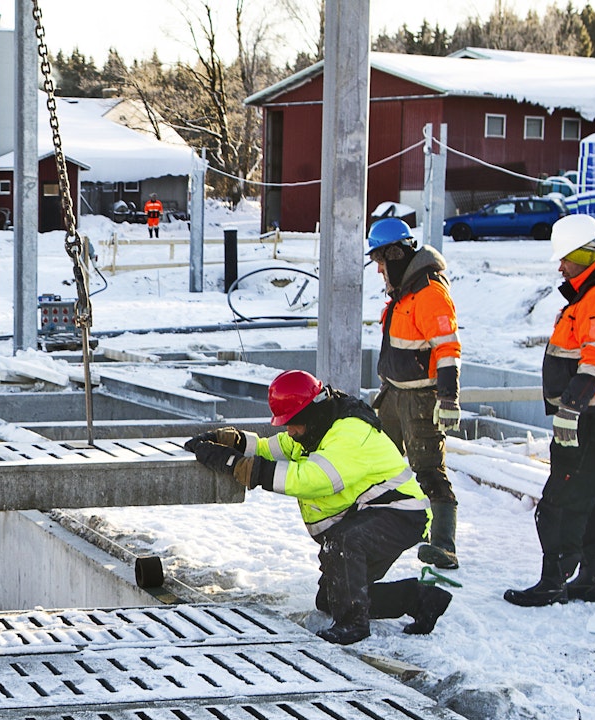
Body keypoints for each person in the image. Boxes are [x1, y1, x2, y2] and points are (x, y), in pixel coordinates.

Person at [187, 370, 452, 645]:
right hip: (371, 512)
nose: (289, 430)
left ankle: (353, 626)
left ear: (310, 413)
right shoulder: (315, 428)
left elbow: (314, 479)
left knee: (345, 542)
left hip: (400, 513)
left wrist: (237, 466)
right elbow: (269, 449)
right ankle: (420, 598)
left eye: (292, 423)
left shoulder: (349, 433)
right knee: (330, 599)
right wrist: (233, 441)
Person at [505, 214, 595, 607]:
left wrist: (571, 409)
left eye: (565, 258)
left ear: (584, 254)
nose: (560, 266)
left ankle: (553, 580)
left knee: (561, 501)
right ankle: (591, 578)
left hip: (591, 416)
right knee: (593, 497)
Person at [366, 218, 463, 569]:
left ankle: (443, 545)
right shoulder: (405, 291)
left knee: (428, 469)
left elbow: (448, 349)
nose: (379, 270)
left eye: (381, 261)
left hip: (422, 398)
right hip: (395, 394)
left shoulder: (429, 293)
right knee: (379, 461)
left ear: (396, 253)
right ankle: (390, 527)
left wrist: (448, 398)